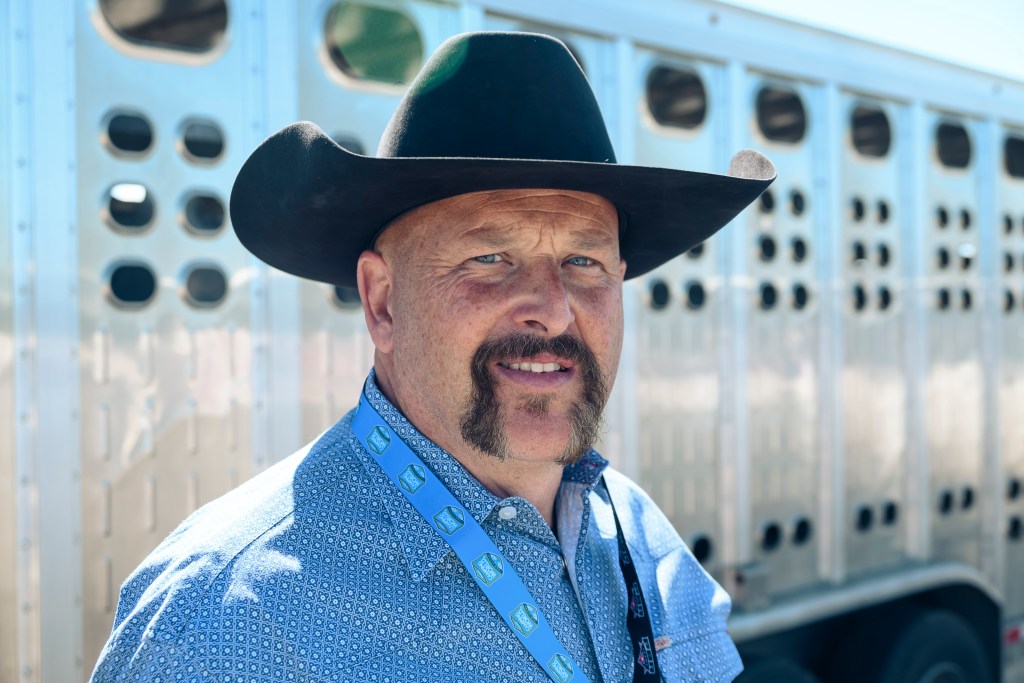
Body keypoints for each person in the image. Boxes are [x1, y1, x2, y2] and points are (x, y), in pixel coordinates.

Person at [90, 31, 774, 683]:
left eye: (583, 260)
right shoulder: (227, 622)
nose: (555, 308)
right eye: (490, 257)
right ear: (382, 301)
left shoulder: (635, 531)